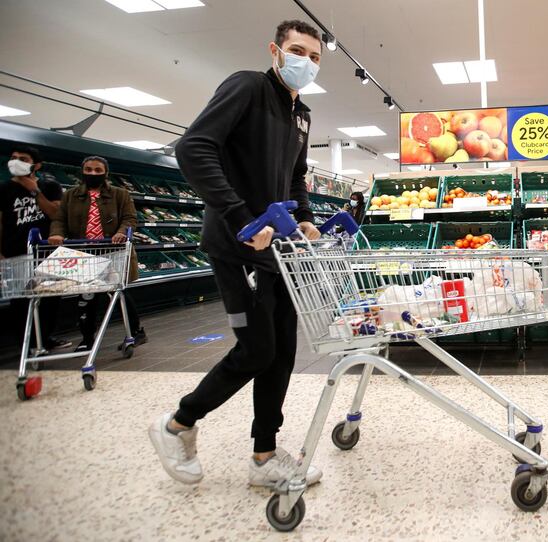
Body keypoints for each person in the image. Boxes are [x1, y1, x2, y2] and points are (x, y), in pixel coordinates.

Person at [148, 19, 323, 488]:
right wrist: (240, 217)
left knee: (283, 350)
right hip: (236, 245)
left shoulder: (302, 114)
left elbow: (294, 175)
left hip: (278, 251)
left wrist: (304, 216)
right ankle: (176, 425)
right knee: (256, 350)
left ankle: (264, 456)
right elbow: (194, 148)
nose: (304, 62)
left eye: (314, 57)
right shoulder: (247, 87)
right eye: (297, 50)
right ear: (275, 50)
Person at [48, 156, 147, 350]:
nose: (93, 173)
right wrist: (57, 234)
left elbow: (129, 218)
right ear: (82, 171)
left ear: (105, 173)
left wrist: (120, 232)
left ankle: (136, 332)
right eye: (89, 169)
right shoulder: (70, 195)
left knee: (118, 294)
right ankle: (87, 338)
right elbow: (59, 219)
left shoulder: (120, 194)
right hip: (83, 253)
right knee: (86, 296)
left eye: (97, 170)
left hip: (112, 252)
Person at [0, 146, 71, 351]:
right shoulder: (3, 189)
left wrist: (35, 191)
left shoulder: (50, 186)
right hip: (16, 251)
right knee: (20, 299)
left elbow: (55, 214)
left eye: (23, 158)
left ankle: (46, 337)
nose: (16, 161)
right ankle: (27, 342)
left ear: (36, 165)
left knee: (50, 298)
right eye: (13, 158)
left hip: (47, 252)